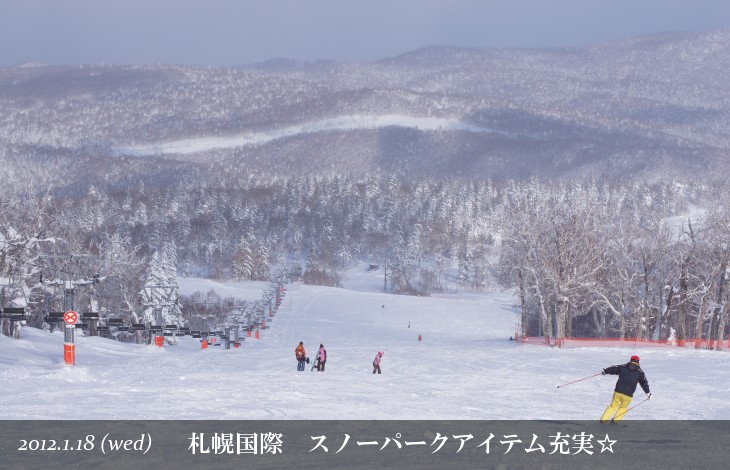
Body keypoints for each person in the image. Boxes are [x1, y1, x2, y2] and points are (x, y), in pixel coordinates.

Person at [600, 355, 651, 422]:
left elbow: (614, 368)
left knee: (612, 406)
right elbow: (644, 383)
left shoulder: (623, 367)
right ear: (638, 362)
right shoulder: (640, 372)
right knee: (623, 408)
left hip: (618, 391)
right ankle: (615, 421)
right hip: (628, 395)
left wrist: (605, 371)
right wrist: (648, 393)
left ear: (631, 360)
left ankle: (603, 420)